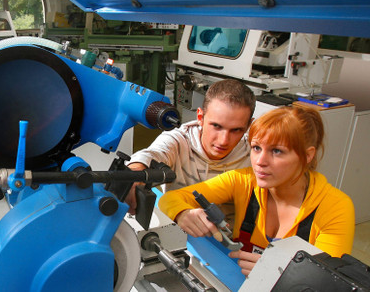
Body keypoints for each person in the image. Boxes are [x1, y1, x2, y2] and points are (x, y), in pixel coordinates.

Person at [158, 106, 355, 276]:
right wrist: (183, 213)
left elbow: (328, 280)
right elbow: (171, 198)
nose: (260, 161)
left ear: (307, 155)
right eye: (256, 148)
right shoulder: (243, 181)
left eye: (277, 151)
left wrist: (283, 274)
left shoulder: (335, 207)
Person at [125, 78, 256, 214]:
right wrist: (136, 171)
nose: (223, 140)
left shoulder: (255, 152)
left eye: (236, 130)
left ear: (249, 125)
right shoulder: (179, 140)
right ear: (200, 117)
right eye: (216, 126)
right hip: (179, 230)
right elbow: (153, 153)